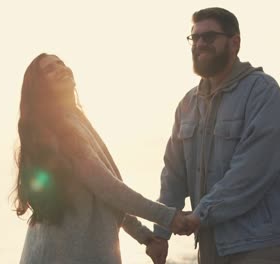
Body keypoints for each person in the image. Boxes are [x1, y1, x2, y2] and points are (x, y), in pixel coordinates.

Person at [13, 53, 197, 264]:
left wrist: (144, 237)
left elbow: (106, 194)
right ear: (39, 87)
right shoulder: (59, 132)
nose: (61, 68)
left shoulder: (75, 120)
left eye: (61, 63)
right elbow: (109, 188)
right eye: (50, 69)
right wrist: (168, 217)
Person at [147, 7, 280, 264]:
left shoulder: (263, 93)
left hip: (258, 245)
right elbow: (173, 175)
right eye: (195, 38)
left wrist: (198, 215)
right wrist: (160, 232)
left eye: (210, 37)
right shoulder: (187, 104)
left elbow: (250, 173)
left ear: (234, 43)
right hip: (209, 247)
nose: (201, 44)